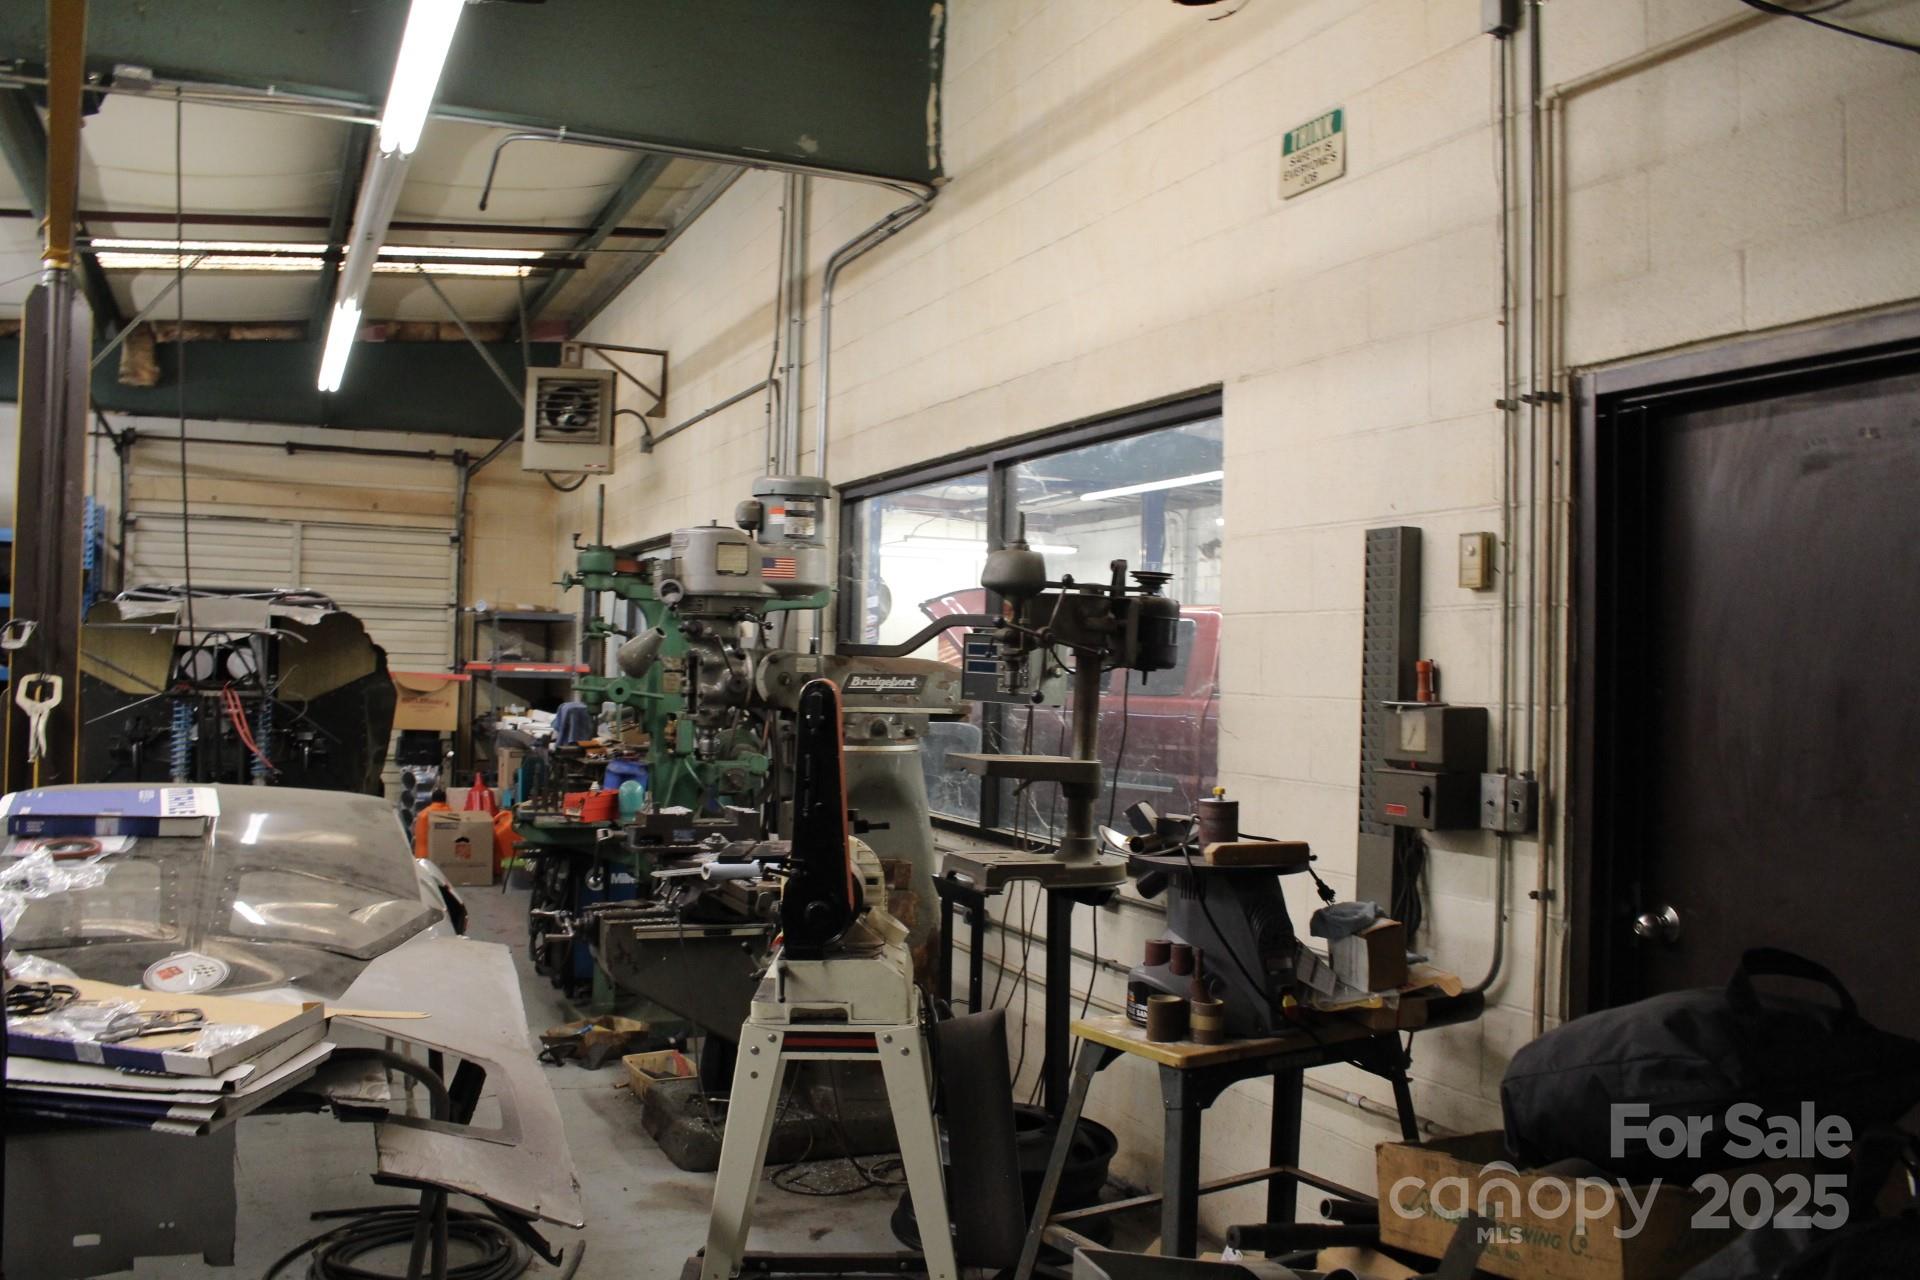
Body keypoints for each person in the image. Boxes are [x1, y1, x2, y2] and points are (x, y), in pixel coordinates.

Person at [412, 787, 450, 859]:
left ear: (432, 799)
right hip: (441, 856)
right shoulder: (450, 813)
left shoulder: (422, 814)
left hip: (422, 856)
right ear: (445, 799)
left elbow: (415, 833)